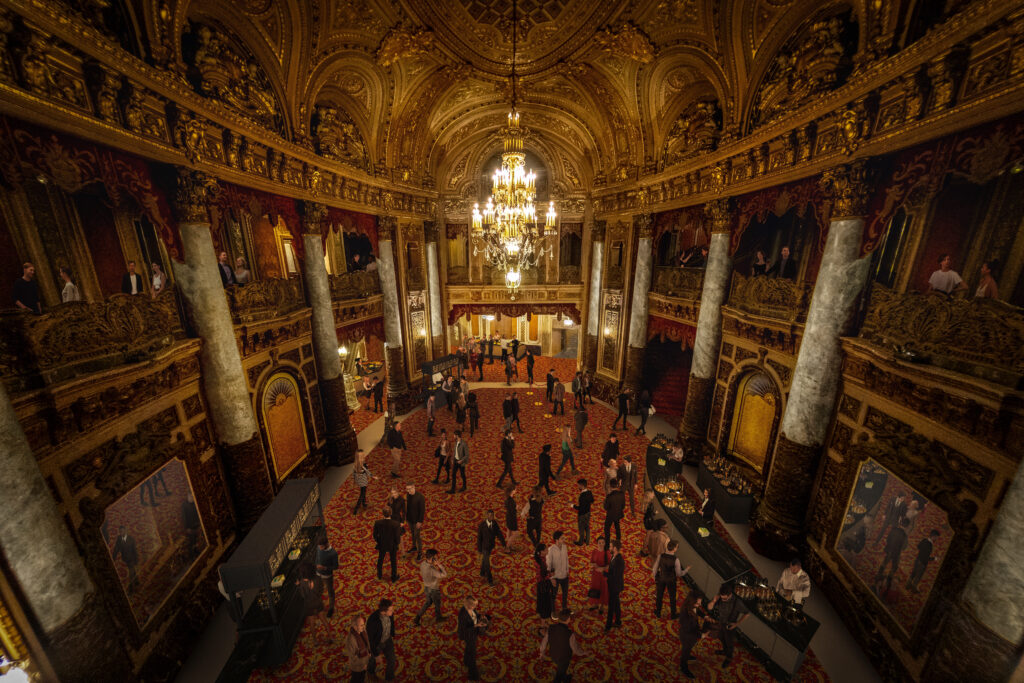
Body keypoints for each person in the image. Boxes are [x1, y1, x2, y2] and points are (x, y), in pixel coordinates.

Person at [539, 608, 585, 682]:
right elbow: (575, 649)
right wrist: (583, 653)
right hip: (564, 658)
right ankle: (563, 678)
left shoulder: (551, 628)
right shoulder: (570, 634)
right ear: (569, 619)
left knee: (561, 672)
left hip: (553, 654)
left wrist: (542, 654)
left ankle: (565, 678)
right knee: (558, 676)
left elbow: (544, 642)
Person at [708, 583, 749, 665]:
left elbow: (747, 613)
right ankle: (724, 651)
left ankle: (729, 657)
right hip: (720, 622)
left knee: (729, 642)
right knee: (721, 638)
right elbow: (709, 608)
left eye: (725, 599)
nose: (722, 600)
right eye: (722, 598)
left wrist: (737, 624)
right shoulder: (720, 596)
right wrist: (713, 601)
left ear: (730, 595)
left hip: (729, 626)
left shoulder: (737, 602)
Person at [652, 540, 690, 618]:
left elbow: (655, 568)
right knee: (672, 597)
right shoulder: (676, 560)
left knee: (659, 596)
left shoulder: (661, 555)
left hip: (661, 578)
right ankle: (673, 614)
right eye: (677, 547)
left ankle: (658, 612)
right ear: (674, 549)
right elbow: (679, 574)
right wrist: (686, 570)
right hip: (671, 580)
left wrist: (654, 576)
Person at [678, 593, 711, 679]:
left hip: (692, 634)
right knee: (685, 651)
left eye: (700, 603)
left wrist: (705, 616)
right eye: (698, 603)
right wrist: (702, 635)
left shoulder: (692, 606)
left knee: (689, 648)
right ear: (692, 602)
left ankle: (688, 656)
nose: (699, 605)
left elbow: (697, 610)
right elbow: (689, 630)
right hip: (687, 636)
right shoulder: (686, 615)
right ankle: (683, 667)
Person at [294, 563, 330, 642]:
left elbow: (303, 595)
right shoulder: (317, 578)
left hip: (309, 605)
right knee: (323, 619)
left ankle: (315, 641)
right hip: (318, 602)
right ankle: (330, 637)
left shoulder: (302, 583)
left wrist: (298, 585)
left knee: (312, 623)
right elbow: (321, 589)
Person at [414, 549, 448, 626]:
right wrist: (439, 565)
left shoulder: (422, 564)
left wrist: (433, 565)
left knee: (428, 602)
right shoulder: (432, 570)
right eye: (436, 558)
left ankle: (417, 617)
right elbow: (444, 574)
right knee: (437, 604)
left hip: (426, 588)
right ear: (432, 559)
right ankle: (438, 618)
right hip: (434, 589)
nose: (437, 559)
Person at [458, 596, 489, 680]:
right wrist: (477, 625)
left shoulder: (471, 609)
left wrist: (481, 617)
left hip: (473, 632)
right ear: (468, 604)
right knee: (472, 652)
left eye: (475, 605)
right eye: (473, 605)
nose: (475, 607)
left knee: (469, 647)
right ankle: (472, 674)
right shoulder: (462, 614)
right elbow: (465, 628)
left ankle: (466, 661)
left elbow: (475, 615)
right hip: (468, 634)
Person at [875, 517, 910, 593]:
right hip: (896, 554)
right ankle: (888, 583)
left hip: (889, 550)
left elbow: (887, 539)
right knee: (894, 567)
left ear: (900, 523)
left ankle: (878, 577)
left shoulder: (893, 530)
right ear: (907, 526)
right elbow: (904, 547)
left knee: (884, 563)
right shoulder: (904, 536)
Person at [366, 599, 397, 681]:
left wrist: (392, 633)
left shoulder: (390, 614)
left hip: (387, 640)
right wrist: (376, 655)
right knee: (372, 662)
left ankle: (389, 678)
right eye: (391, 610)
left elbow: (392, 623)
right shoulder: (373, 621)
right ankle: (370, 673)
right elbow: (370, 640)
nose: (393, 611)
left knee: (392, 660)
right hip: (377, 643)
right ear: (384, 611)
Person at [476, 509, 506, 585]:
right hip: (484, 547)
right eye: (489, 515)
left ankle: (482, 573)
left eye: (492, 515)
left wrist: (503, 543)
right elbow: (479, 538)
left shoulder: (495, 523)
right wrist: (479, 549)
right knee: (487, 563)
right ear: (486, 516)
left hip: (491, 546)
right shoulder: (482, 525)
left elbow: (498, 533)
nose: (491, 517)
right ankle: (490, 580)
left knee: (485, 560)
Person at [372, 508, 402, 582]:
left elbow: (375, 535)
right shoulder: (396, 524)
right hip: (392, 545)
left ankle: (379, 575)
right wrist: (396, 543)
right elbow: (397, 537)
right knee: (393, 561)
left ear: (383, 514)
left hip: (382, 544)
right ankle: (394, 577)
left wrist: (379, 541)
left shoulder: (378, 522)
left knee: (380, 559)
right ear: (391, 513)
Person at [315, 534, 339, 618]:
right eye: (319, 547)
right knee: (318, 590)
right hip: (318, 574)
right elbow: (317, 558)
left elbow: (335, 567)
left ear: (326, 544)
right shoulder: (319, 548)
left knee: (330, 592)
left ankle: (331, 608)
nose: (320, 548)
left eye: (321, 547)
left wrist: (325, 568)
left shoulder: (333, 553)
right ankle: (319, 607)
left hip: (327, 576)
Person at [344, 614, 372, 682]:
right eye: (361, 625)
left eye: (363, 624)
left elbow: (367, 643)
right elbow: (353, 658)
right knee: (357, 679)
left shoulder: (362, 631)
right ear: (355, 627)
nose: (364, 627)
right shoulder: (351, 640)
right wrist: (363, 665)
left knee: (362, 678)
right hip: (358, 667)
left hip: (364, 662)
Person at [547, 531, 570, 611]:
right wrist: (551, 578)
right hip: (555, 577)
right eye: (562, 538)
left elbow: (567, 559)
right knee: (554, 595)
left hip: (564, 575)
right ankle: (553, 611)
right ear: (557, 539)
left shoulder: (564, 547)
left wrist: (567, 570)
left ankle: (564, 608)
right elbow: (548, 565)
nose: (564, 539)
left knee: (565, 594)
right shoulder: (551, 550)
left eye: (564, 538)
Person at [604, 540, 625, 630]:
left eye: (610, 547)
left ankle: (608, 626)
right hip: (614, 585)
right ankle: (618, 621)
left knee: (611, 606)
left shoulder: (619, 561)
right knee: (616, 603)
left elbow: (614, 576)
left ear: (615, 548)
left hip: (615, 586)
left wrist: (604, 573)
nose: (609, 548)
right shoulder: (614, 556)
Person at [112, 525, 139, 591]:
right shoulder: (119, 538)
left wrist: (136, 560)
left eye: (122, 531)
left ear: (125, 531)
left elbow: (134, 550)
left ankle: (131, 588)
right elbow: (116, 549)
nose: (121, 533)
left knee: (131, 573)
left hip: (131, 558)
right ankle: (137, 581)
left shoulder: (131, 539)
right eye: (120, 531)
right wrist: (113, 558)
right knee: (132, 570)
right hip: (125, 558)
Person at [587, 536, 610, 613]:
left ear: (605, 543)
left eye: (602, 542)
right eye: (599, 543)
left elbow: (610, 565)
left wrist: (602, 569)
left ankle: (602, 606)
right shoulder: (594, 551)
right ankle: (595, 604)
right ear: (597, 543)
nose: (601, 544)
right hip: (595, 574)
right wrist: (594, 565)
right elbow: (591, 562)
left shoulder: (607, 553)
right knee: (595, 588)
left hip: (603, 574)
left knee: (603, 589)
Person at [534, 544, 555, 619]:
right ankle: (543, 619)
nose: (547, 550)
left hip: (543, 582)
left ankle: (543, 614)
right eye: (546, 550)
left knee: (544, 600)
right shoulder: (539, 562)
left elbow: (545, 571)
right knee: (544, 601)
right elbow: (542, 575)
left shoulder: (542, 558)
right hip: (542, 583)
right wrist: (551, 577)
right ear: (541, 551)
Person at [405, 483, 425, 562]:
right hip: (410, 519)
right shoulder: (408, 495)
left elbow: (422, 511)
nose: (408, 491)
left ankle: (420, 552)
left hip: (417, 521)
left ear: (414, 487)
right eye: (407, 489)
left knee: (417, 537)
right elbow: (408, 507)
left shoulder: (420, 497)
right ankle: (414, 547)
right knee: (413, 534)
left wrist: (420, 521)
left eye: (409, 489)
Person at [573, 478, 594, 546]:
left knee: (581, 528)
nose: (578, 487)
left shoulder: (582, 496)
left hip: (582, 514)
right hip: (588, 512)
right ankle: (587, 541)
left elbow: (580, 508)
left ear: (582, 486)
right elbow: (592, 500)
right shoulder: (589, 492)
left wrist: (572, 505)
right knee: (587, 527)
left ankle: (580, 542)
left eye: (578, 485)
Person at [604, 478, 625, 543]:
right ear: (617, 485)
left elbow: (606, 507)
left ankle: (607, 542)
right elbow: (623, 506)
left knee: (607, 528)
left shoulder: (609, 496)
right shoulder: (622, 494)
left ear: (610, 486)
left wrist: (604, 502)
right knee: (617, 526)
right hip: (618, 513)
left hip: (610, 515)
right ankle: (618, 540)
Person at [503, 484, 523, 552]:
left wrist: (515, 507)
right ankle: (507, 547)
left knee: (509, 531)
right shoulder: (511, 501)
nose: (516, 490)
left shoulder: (507, 498)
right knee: (516, 533)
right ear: (512, 491)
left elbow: (509, 507)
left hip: (508, 516)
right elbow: (513, 511)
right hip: (512, 518)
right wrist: (517, 508)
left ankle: (510, 545)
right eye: (515, 489)